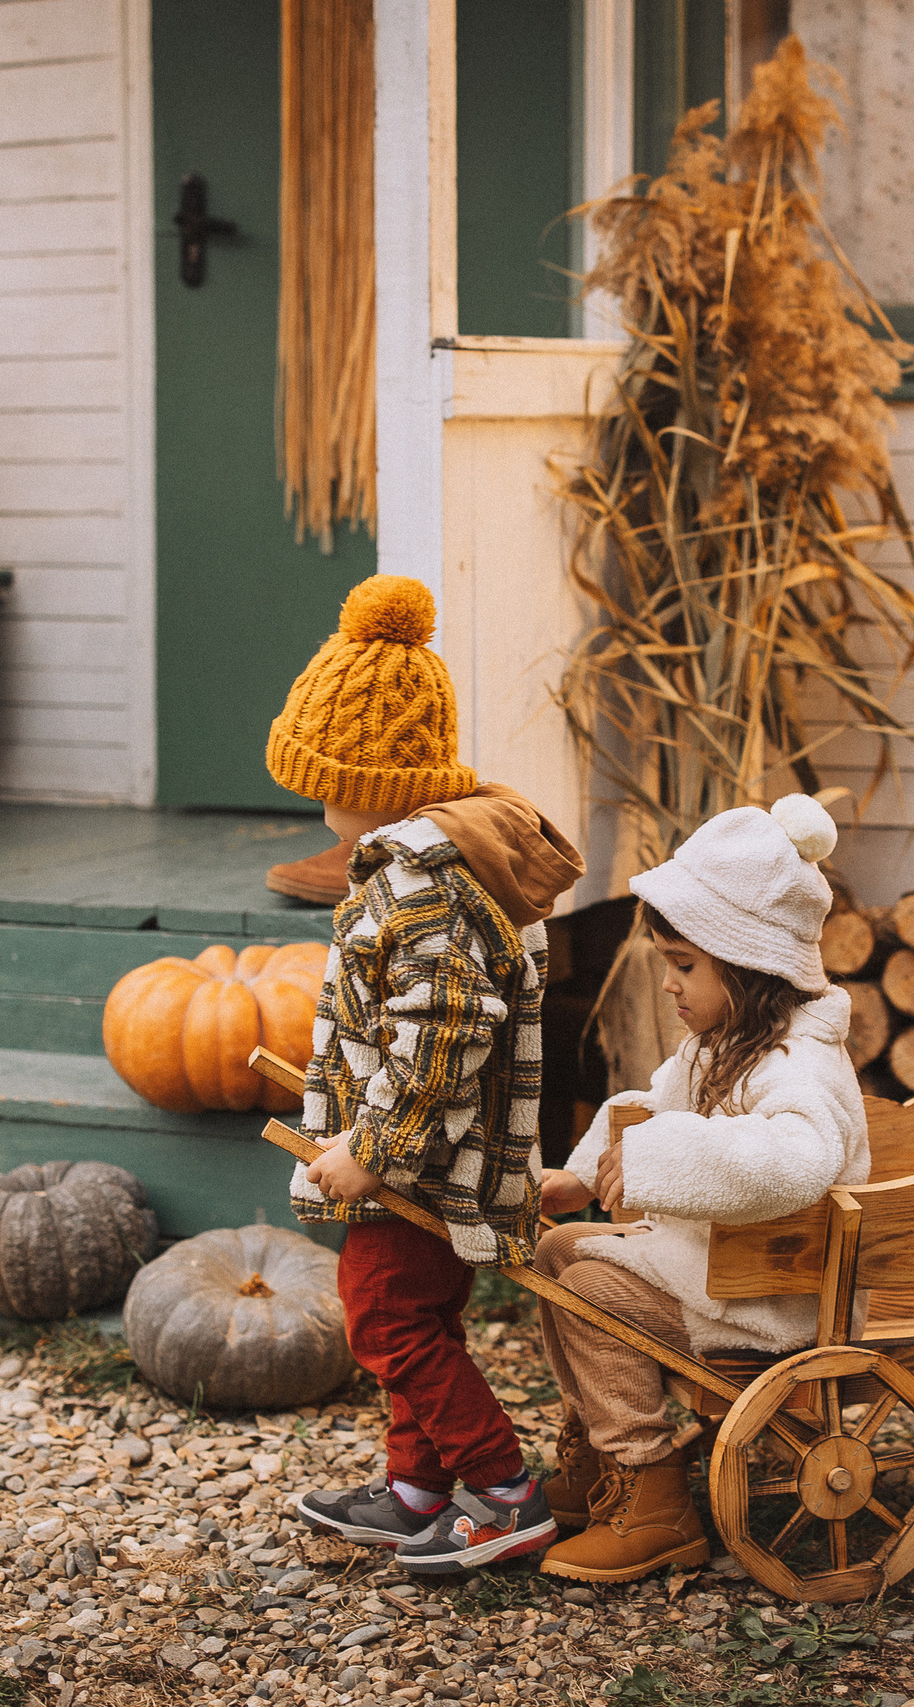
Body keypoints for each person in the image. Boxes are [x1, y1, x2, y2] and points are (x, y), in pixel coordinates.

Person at [277, 575, 586, 1574]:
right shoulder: (413, 871)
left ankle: (501, 1490)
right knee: (417, 1317)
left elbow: (444, 1027)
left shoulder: (418, 888)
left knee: (389, 1320)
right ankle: (415, 1488)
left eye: (320, 778)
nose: (312, 800)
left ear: (364, 780)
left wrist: (372, 1149)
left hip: (419, 1164)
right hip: (422, 1159)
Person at [532, 794, 870, 1582]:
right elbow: (646, 1108)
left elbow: (796, 1158)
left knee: (589, 1289)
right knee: (556, 1248)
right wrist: (583, 1175)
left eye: (684, 966)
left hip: (775, 1305)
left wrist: (660, 1155)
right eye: (666, 966)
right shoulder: (718, 1046)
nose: (669, 986)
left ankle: (653, 1493)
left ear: (750, 964)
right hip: (711, 1275)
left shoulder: (799, 1065)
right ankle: (597, 1454)